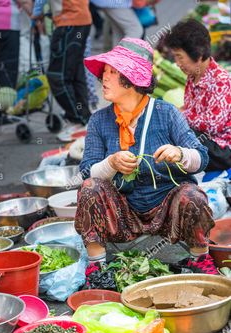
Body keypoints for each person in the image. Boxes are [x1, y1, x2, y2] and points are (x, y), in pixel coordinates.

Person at [75, 37, 218, 275]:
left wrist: (180, 153)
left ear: (131, 80)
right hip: (122, 212)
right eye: (105, 72)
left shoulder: (166, 113)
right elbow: (86, 170)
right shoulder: (99, 120)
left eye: (112, 72)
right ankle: (97, 269)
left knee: (192, 195)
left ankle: (199, 259)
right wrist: (111, 163)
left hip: (166, 209)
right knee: (89, 188)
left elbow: (201, 157)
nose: (104, 78)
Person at [164, 19, 231, 171]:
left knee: (174, 136)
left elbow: (212, 125)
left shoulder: (220, 80)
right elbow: (190, 109)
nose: (177, 63)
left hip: (221, 149)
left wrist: (179, 115)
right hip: (202, 141)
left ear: (198, 54)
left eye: (180, 57)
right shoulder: (193, 75)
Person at [32, 0, 92, 133]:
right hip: (81, 20)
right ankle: (84, 119)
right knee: (75, 74)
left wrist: (35, 13)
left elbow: (38, 5)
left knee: (57, 77)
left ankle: (77, 120)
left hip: (68, 23)